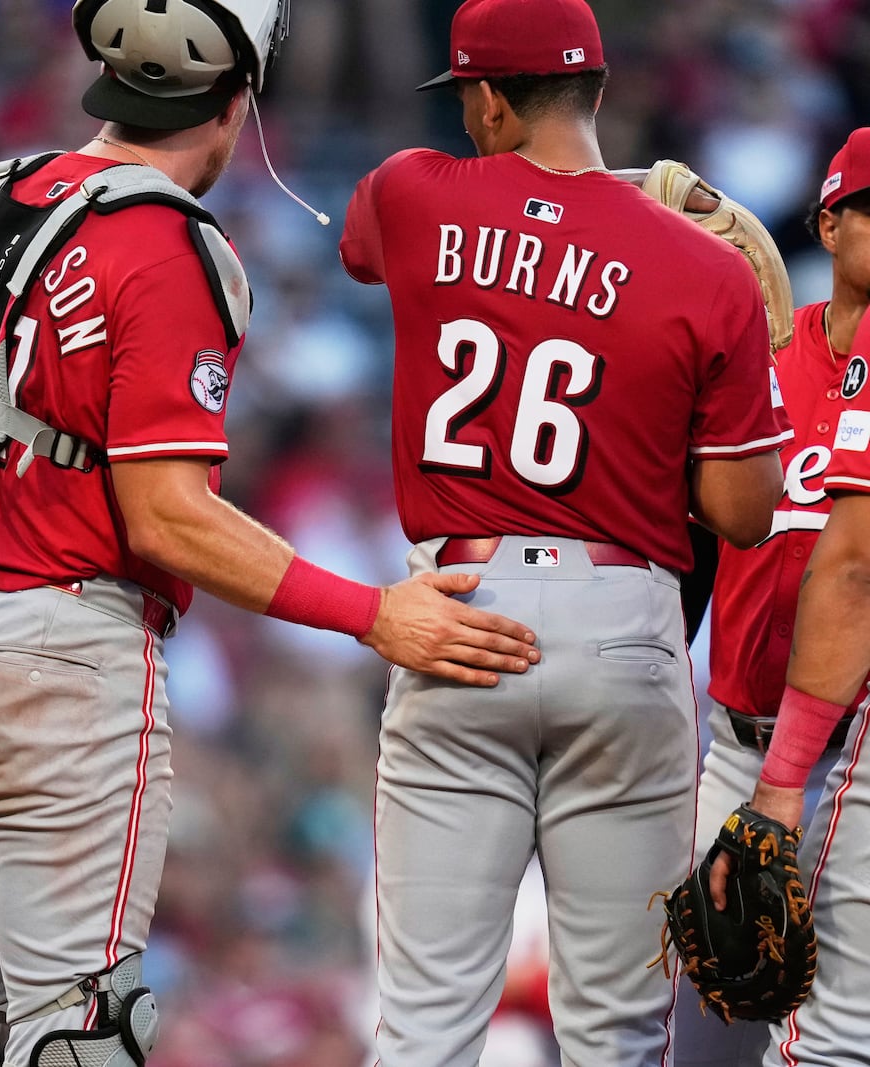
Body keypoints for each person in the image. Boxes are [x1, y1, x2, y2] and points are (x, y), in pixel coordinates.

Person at [0, 1, 543, 1065]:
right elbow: (166, 513)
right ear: (238, 103)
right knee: (78, 1034)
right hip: (63, 654)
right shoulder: (169, 243)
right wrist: (371, 615)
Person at [338, 0, 788, 1063]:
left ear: (487, 98)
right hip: (623, 625)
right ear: (596, 91)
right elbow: (742, 513)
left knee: (423, 1025)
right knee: (619, 1032)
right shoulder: (707, 268)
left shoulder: (411, 192)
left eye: (468, 102)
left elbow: (366, 246)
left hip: (459, 617)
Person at [675, 126, 870, 1067]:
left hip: (844, 746)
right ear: (831, 223)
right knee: (667, 998)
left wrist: (787, 780)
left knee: (827, 1039)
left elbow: (855, 575)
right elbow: (697, 547)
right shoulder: (763, 365)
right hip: (732, 741)